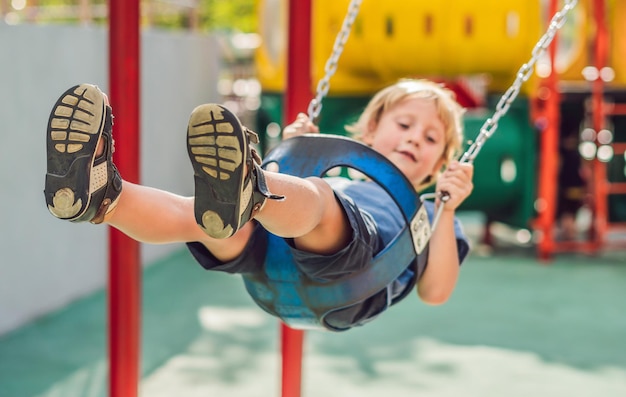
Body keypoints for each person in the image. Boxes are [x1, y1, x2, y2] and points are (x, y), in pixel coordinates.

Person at [44, 79, 474, 331]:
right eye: (404, 124)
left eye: (432, 138)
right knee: (200, 217)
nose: (416, 138)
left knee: (320, 201)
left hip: (353, 278)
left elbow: (435, 293)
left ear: (440, 164)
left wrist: (448, 210)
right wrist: (296, 150)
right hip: (269, 261)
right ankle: (103, 197)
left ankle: (255, 187)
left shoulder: (431, 213)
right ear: (369, 133)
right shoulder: (340, 177)